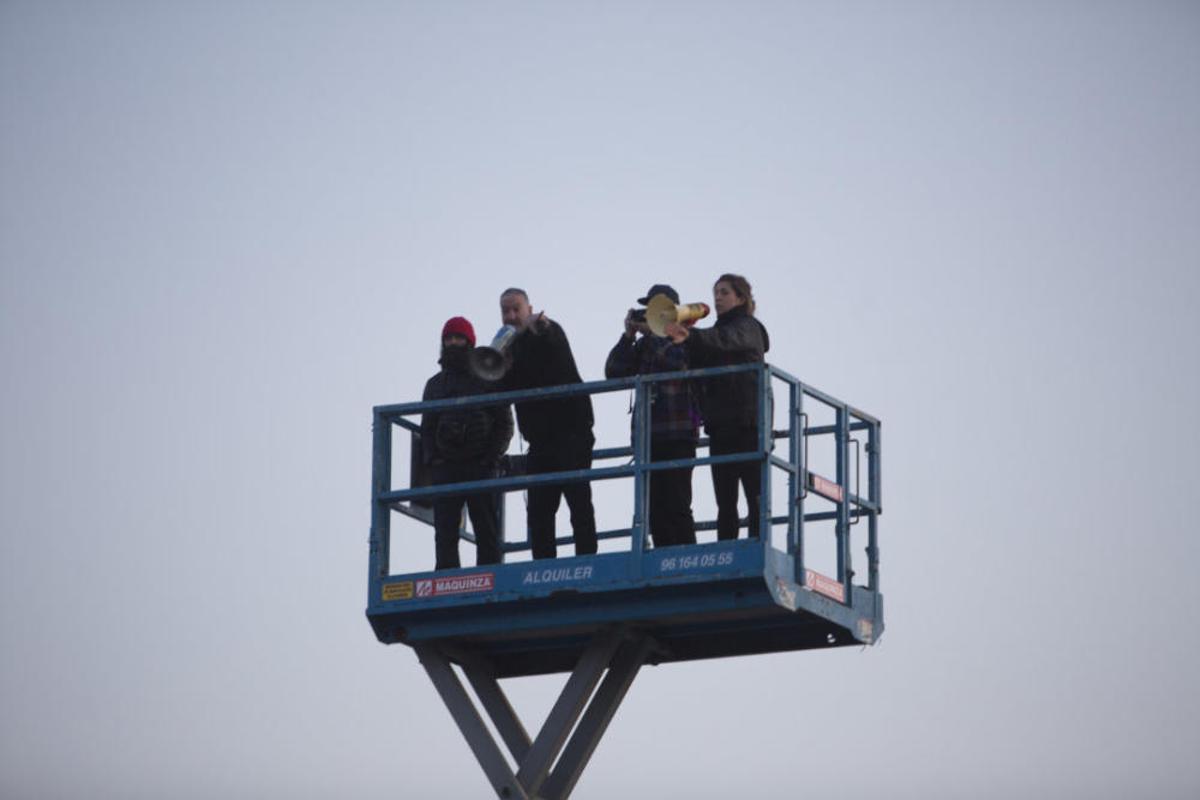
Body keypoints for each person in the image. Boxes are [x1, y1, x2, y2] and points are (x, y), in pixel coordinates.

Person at [665, 274, 770, 540]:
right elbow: (697, 356)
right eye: (716, 292)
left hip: (748, 423)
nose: (718, 297)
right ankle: (727, 549)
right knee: (725, 500)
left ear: (741, 298)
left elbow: (725, 340)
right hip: (722, 425)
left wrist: (691, 335)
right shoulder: (713, 334)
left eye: (724, 292)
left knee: (754, 496)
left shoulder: (748, 327)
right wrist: (682, 337)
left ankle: (756, 545)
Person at [498, 288, 598, 559]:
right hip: (540, 442)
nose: (510, 316)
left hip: (572, 433)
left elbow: (552, 340)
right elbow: (501, 392)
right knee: (539, 512)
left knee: (578, 502)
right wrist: (500, 365)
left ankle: (587, 563)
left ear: (529, 310)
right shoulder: (509, 349)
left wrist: (541, 326)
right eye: (505, 311)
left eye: (516, 309)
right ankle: (543, 568)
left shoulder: (548, 330)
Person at [605, 284, 698, 548]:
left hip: (678, 433)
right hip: (649, 436)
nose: (652, 315)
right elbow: (613, 371)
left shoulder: (686, 338)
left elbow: (674, 362)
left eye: (657, 309)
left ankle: (686, 558)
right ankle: (662, 559)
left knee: (678, 504)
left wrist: (654, 333)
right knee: (654, 508)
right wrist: (628, 336)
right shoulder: (645, 343)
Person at [420, 316, 513, 570]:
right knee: (445, 532)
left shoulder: (487, 378)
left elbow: (505, 423)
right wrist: (434, 461)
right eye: (448, 338)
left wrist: (490, 457)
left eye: (458, 338)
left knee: (486, 529)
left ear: (469, 342)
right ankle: (446, 581)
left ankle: (491, 578)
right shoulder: (435, 385)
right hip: (447, 468)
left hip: (480, 465)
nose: (453, 342)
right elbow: (427, 427)